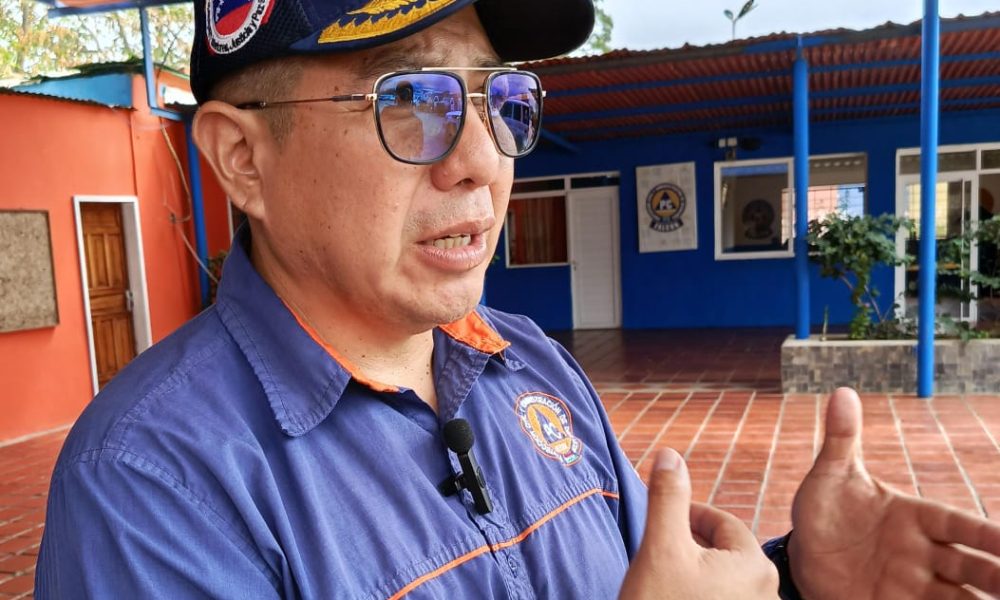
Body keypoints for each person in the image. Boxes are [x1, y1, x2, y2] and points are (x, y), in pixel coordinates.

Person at [36, 0, 1000, 598]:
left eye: (500, 101)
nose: (482, 163)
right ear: (243, 159)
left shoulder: (530, 362)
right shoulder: (155, 483)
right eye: (411, 100)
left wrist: (796, 579)